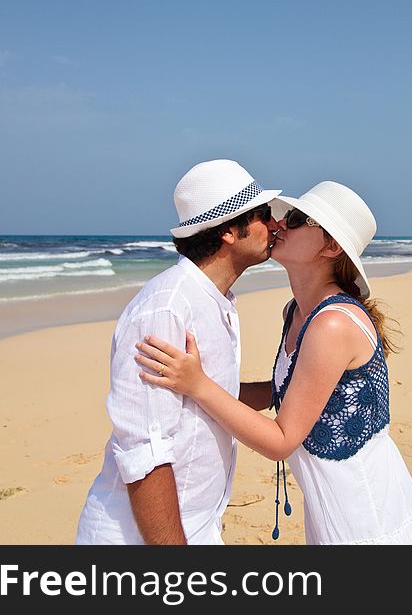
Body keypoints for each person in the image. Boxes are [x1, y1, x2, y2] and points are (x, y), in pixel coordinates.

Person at [136, 181, 412, 545]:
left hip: (366, 513)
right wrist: (182, 391)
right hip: (329, 507)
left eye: (296, 218)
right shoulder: (295, 312)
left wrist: (198, 385)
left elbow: (281, 441)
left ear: (331, 245)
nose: (280, 223)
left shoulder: (332, 325)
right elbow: (282, 393)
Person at [75, 159, 281, 544]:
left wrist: (279, 391)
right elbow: (144, 450)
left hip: (198, 524)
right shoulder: (166, 309)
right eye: (264, 214)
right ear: (230, 232)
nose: (274, 225)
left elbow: (216, 395)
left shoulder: (213, 298)